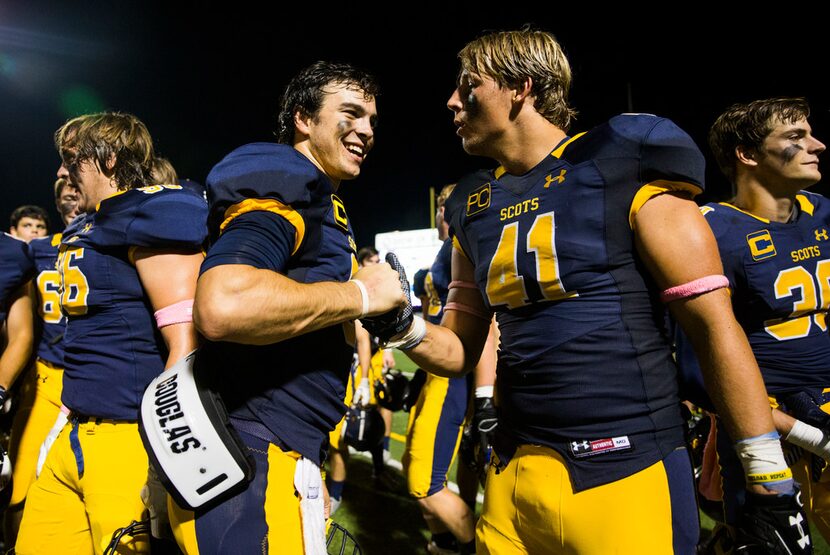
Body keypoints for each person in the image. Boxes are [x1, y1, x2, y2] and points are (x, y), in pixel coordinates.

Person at [372, 28, 804, 554]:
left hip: (625, 468)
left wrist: (769, 483)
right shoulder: (472, 203)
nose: (453, 100)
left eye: (469, 85)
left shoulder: (623, 158)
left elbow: (714, 327)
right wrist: (400, 323)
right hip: (512, 477)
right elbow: (461, 348)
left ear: (519, 88)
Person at [175, 61, 403, 553]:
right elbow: (224, 303)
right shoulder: (288, 180)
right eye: (351, 113)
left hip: (272, 444)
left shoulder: (319, 197)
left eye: (372, 120)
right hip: (252, 450)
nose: (366, 130)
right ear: (303, 118)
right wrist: (361, 295)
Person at [15, 112, 207, 554]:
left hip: (128, 437)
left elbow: (186, 342)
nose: (63, 172)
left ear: (108, 159)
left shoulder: (152, 214)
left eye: (72, 159)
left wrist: (164, 458)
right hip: (75, 428)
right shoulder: (92, 223)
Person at [681, 97, 829, 547]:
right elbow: (695, 366)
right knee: (768, 541)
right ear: (746, 154)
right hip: (762, 424)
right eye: (795, 137)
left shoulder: (823, 212)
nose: (816, 145)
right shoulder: (709, 231)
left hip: (825, 413)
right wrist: (794, 424)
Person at [402, 183, 496, 555]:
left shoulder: (468, 245)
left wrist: (486, 397)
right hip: (441, 371)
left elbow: (486, 325)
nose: (443, 212)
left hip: (456, 375)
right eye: (441, 204)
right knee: (467, 468)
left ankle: (476, 547)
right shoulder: (447, 252)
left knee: (424, 481)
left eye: (447, 205)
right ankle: (445, 542)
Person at [3, 177, 79, 545]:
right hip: (46, 376)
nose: (68, 185)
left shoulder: (116, 240)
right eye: (62, 179)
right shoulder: (33, 252)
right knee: (19, 482)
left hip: (101, 379)